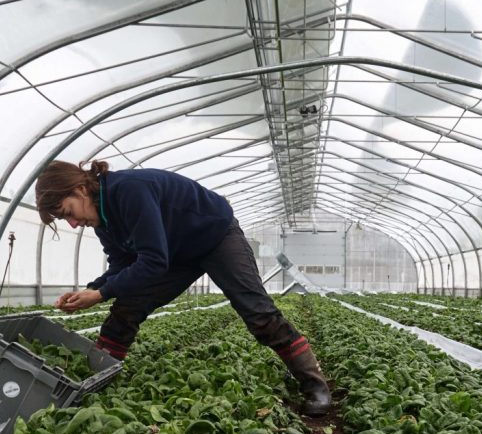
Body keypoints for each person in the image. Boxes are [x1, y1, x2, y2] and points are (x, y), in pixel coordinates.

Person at [34, 160, 331, 417]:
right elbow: (121, 264)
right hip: (176, 253)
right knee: (128, 304)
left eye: (68, 212)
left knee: (257, 312)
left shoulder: (128, 190)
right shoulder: (103, 221)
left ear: (81, 190)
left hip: (216, 237)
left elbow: (152, 260)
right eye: (65, 219)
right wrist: (92, 289)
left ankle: (315, 385)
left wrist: (100, 294)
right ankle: (99, 377)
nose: (73, 223)